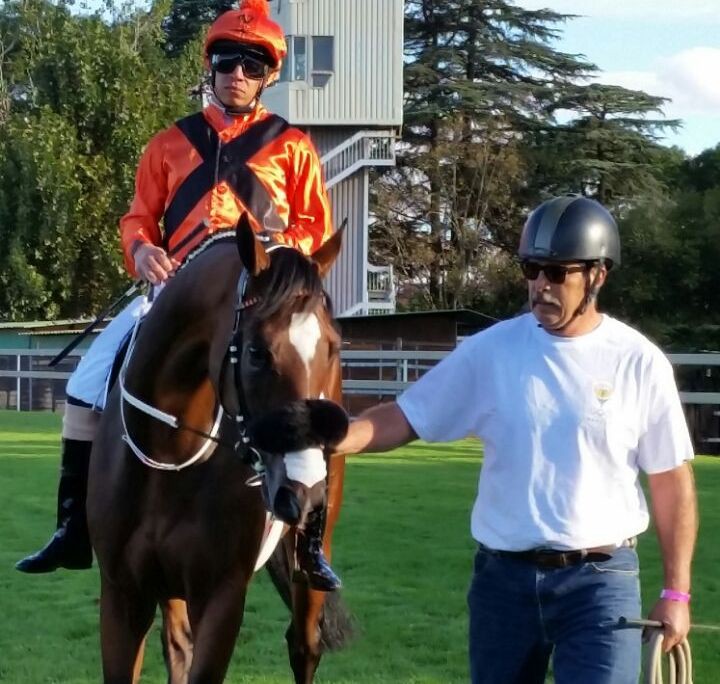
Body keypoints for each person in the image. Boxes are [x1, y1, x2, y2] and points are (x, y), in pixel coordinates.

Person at [259, 195, 699, 682]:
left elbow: (671, 481)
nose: (539, 285)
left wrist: (676, 593)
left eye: (557, 272)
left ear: (598, 275)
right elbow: (405, 416)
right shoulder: (493, 350)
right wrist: (332, 435)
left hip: (600, 584)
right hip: (503, 583)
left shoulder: (638, 361)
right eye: (531, 269)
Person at [17, 0, 342, 592]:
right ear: (209, 66)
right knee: (85, 384)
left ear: (268, 74)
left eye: (250, 62)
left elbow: (315, 227)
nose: (235, 73)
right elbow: (139, 220)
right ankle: (72, 529)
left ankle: (310, 540)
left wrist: (271, 254)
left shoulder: (292, 147)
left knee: (307, 395)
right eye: (225, 59)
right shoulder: (168, 144)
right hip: (173, 295)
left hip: (257, 300)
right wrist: (142, 251)